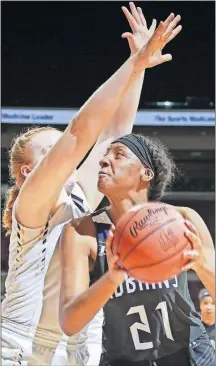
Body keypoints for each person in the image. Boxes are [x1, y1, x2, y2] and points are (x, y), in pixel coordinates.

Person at [1, 3, 181, 366]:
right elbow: (80, 135)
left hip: (81, 348)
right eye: (49, 152)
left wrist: (139, 65)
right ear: (26, 172)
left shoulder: (79, 194)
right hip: (23, 347)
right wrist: (131, 65)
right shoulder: (31, 206)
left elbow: (117, 132)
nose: (64, 158)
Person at [59, 133, 215, 366]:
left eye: (118, 154)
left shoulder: (182, 219)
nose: (103, 161)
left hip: (191, 354)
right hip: (123, 359)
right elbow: (69, 322)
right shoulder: (82, 231)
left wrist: (202, 264)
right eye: (104, 155)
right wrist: (112, 278)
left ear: (146, 173)